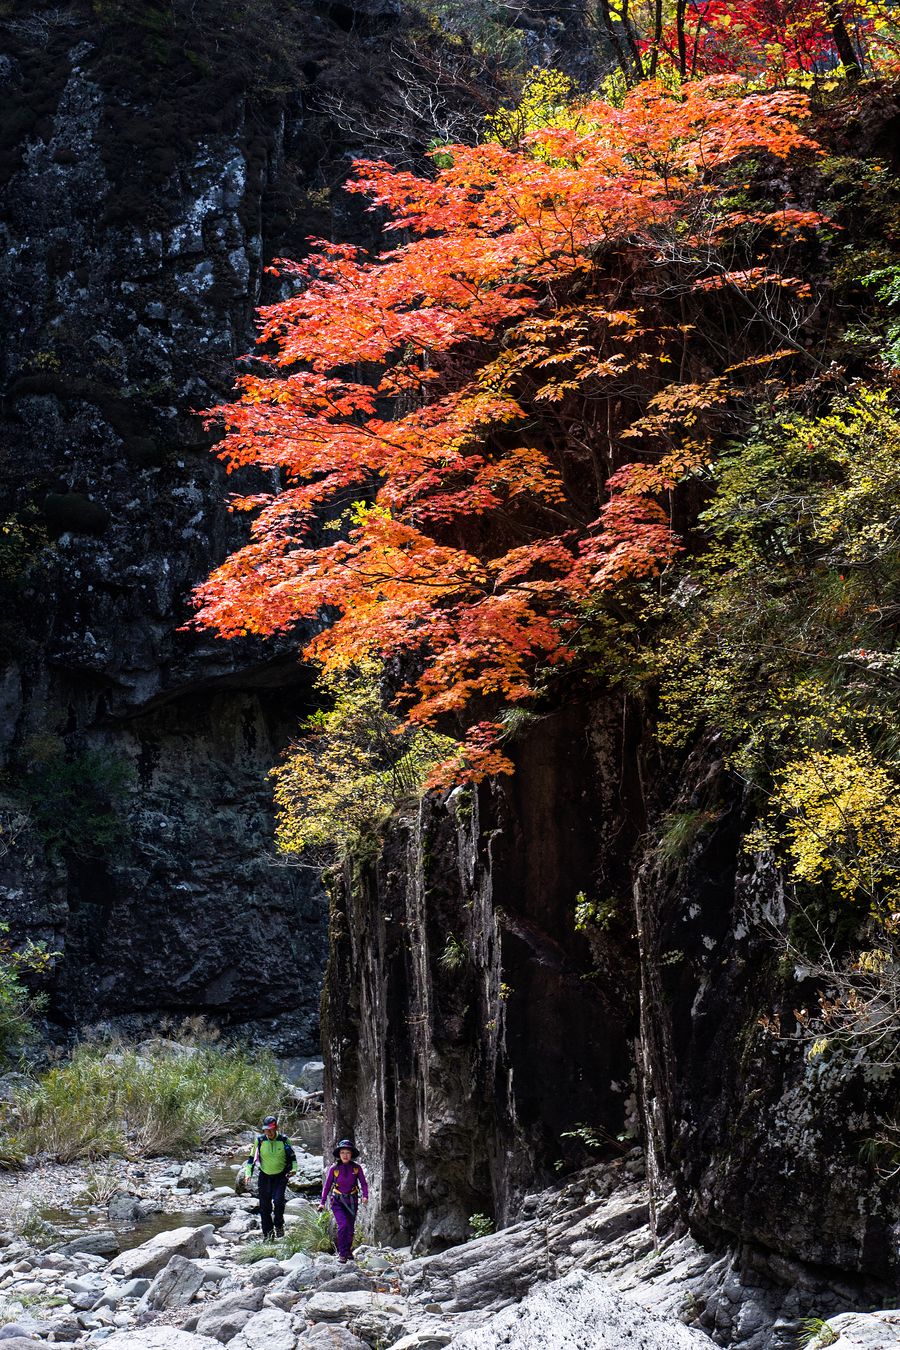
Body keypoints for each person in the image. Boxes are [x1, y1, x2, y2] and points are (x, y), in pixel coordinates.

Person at [244, 1114, 297, 1241]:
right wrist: (248, 1173)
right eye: (266, 1130)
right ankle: (268, 1235)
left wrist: (294, 1169)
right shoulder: (260, 1140)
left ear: (276, 1128)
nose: (268, 1132)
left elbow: (293, 1158)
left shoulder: (284, 1140)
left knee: (278, 1202)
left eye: (271, 1130)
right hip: (264, 1176)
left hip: (280, 1176)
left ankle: (279, 1224)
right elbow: (252, 1158)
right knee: (264, 1207)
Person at [319, 1137, 368, 1262]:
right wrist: (322, 1203)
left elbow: (363, 1183)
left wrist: (365, 1196)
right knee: (343, 1225)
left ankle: (348, 1251)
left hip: (352, 1201)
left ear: (351, 1154)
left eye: (347, 1153)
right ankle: (342, 1253)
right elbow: (327, 1186)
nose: (345, 1155)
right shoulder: (334, 1169)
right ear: (339, 1154)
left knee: (350, 1228)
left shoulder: (356, 1168)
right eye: (342, 1153)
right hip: (337, 1201)